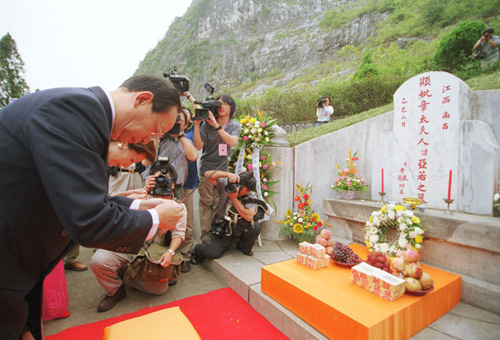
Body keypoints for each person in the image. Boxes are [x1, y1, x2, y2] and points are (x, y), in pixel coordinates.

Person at [0, 75, 185, 340]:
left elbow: (81, 197)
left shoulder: (87, 117)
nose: (149, 138)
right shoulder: (75, 112)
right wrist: (155, 218)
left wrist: (140, 204)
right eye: (155, 129)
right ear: (142, 99)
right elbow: (88, 219)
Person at [192, 93, 241, 244]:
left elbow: (232, 142)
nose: (221, 107)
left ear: (231, 107)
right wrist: (196, 124)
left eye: (224, 104)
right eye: (218, 104)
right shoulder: (207, 125)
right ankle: (205, 239)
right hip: (206, 168)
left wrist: (217, 127)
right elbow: (198, 146)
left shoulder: (234, 125)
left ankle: (216, 235)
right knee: (206, 204)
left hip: (222, 169)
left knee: (219, 204)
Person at [190, 171, 267, 264]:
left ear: (248, 191)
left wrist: (233, 199)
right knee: (214, 252)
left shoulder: (251, 197)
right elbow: (207, 175)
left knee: (255, 226)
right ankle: (195, 249)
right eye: (237, 184)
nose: (237, 188)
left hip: (238, 226)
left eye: (241, 187)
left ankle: (242, 246)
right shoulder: (227, 186)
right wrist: (227, 174)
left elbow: (248, 216)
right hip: (223, 226)